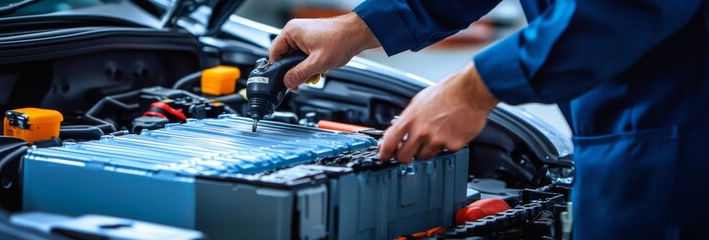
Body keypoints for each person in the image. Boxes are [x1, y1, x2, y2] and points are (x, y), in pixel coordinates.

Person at [269, 0, 709, 239]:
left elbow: (619, 10)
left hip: (677, 141)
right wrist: (360, 26)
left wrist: (475, 87)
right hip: (629, 134)